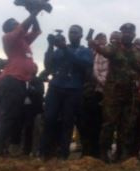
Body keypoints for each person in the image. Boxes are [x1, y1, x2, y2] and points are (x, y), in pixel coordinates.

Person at [89, 23, 140, 162]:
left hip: (130, 94)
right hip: (113, 93)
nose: (127, 34)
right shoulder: (114, 47)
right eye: (124, 32)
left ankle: (122, 153)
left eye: (130, 32)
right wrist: (94, 44)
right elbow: (103, 51)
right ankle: (104, 152)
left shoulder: (137, 51)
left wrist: (138, 83)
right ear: (121, 34)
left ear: (134, 35)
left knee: (127, 125)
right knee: (109, 123)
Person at [40, 25, 93, 160]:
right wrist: (50, 46)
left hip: (74, 89)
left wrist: (64, 48)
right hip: (56, 87)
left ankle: (63, 153)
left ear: (81, 35)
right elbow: (49, 65)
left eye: (75, 33)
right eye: (70, 32)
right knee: (49, 118)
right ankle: (44, 152)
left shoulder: (85, 51)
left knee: (67, 122)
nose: (72, 35)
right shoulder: (60, 49)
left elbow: (84, 64)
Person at [0, 10, 42, 156]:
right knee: (8, 118)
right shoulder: (8, 38)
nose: (18, 24)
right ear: (9, 28)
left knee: (16, 118)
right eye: (15, 24)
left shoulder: (24, 41)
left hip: (20, 83)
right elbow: (24, 27)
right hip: (10, 81)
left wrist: (34, 14)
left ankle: (6, 150)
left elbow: (37, 30)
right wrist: (34, 12)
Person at [78, 32, 108, 158]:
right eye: (98, 39)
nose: (100, 41)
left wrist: (99, 82)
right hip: (86, 92)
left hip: (101, 92)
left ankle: (96, 151)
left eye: (103, 39)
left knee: (98, 123)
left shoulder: (107, 55)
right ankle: (86, 150)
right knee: (84, 122)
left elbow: (105, 75)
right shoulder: (89, 53)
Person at [11, 63, 44, 156]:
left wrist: (29, 91)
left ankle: (32, 150)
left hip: (34, 110)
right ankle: (20, 149)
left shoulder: (38, 80)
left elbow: (40, 92)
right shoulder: (20, 80)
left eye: (34, 68)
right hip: (21, 109)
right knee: (20, 129)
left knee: (33, 130)